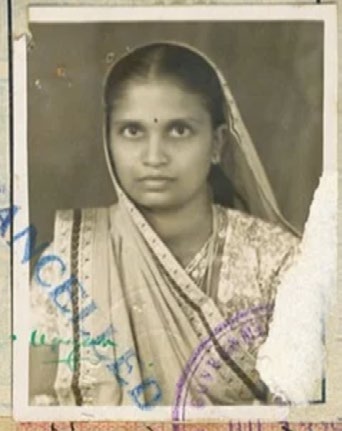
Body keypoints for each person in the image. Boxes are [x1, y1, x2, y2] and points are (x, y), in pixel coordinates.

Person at [29, 41, 305, 407]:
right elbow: (30, 404)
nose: (154, 156)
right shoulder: (68, 259)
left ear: (217, 143)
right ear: (108, 139)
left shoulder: (276, 261)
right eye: (132, 131)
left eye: (178, 131)